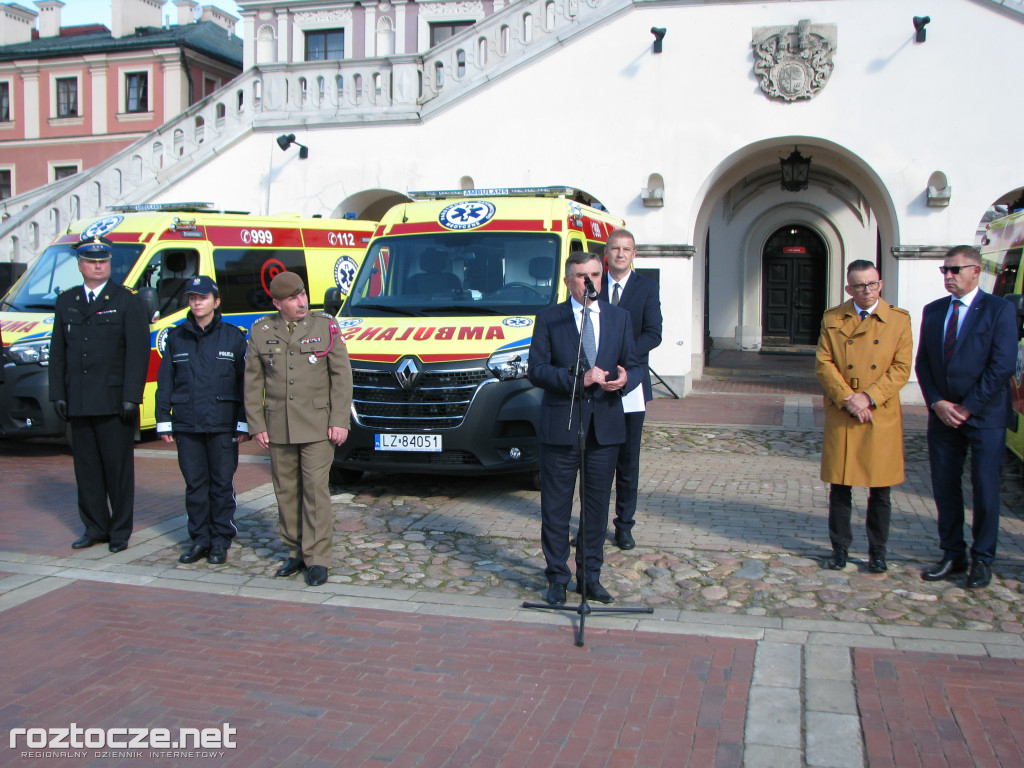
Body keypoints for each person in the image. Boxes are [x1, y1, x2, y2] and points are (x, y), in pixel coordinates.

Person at [528, 251, 642, 606]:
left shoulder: (618, 317)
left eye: (594, 274)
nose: (588, 282)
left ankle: (590, 577)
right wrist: (578, 378)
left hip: (605, 428)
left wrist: (624, 379)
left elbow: (635, 365)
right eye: (581, 276)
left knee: (595, 508)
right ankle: (558, 577)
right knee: (556, 508)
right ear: (568, 281)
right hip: (562, 426)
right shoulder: (550, 319)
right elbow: (537, 370)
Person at [916, 245, 1017, 589]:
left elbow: (1001, 365)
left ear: (976, 271)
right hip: (943, 415)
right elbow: (924, 364)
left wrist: (968, 406)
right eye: (944, 270)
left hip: (984, 415)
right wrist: (937, 402)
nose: (948, 276)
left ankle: (983, 559)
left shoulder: (998, 310)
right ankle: (952, 553)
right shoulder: (933, 311)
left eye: (955, 270)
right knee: (945, 488)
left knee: (986, 490)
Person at [244, 271, 353, 587]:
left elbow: (341, 377)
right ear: (277, 303)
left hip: (318, 425)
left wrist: (339, 420)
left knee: (315, 490)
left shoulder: (325, 326)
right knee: (286, 490)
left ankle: (318, 558)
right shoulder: (262, 331)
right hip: (279, 425)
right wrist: (256, 424)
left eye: (302, 294)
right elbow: (253, 381)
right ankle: (296, 551)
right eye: (292, 298)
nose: (301, 301)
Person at [48, 235, 150, 552]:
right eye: (91, 261)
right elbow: (58, 353)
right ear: (80, 265)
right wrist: (58, 394)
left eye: (103, 261)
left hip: (113, 400)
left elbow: (137, 353)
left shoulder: (126, 300)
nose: (97, 266)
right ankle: (95, 527)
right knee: (87, 471)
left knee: (117, 470)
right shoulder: (67, 302)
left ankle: (119, 532)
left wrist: (131, 396)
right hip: (79, 399)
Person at [815, 260, 913, 573]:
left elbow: (901, 367)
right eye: (859, 285)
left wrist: (868, 397)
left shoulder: (898, 320)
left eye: (871, 284)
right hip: (844, 411)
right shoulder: (833, 318)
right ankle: (840, 548)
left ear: (880, 284)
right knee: (841, 487)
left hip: (878, 412)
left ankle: (878, 552)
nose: (866, 291)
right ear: (849, 289)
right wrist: (848, 398)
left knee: (880, 489)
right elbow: (824, 363)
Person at [156, 276, 249, 566]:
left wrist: (244, 421)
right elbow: (166, 381)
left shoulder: (233, 337)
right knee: (195, 485)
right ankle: (199, 539)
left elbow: (245, 383)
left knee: (221, 484)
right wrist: (163, 419)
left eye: (203, 297)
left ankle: (220, 539)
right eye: (193, 297)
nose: (197, 302)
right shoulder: (176, 337)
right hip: (187, 423)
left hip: (222, 423)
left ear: (216, 301)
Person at [598, 228, 662, 550]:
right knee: (595, 460)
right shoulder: (593, 286)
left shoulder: (646, 288)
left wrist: (625, 356)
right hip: (595, 384)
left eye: (627, 249)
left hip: (631, 384)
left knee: (627, 461)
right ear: (606, 253)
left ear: (634, 254)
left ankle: (624, 524)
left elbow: (654, 333)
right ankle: (591, 526)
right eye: (615, 248)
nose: (620, 254)